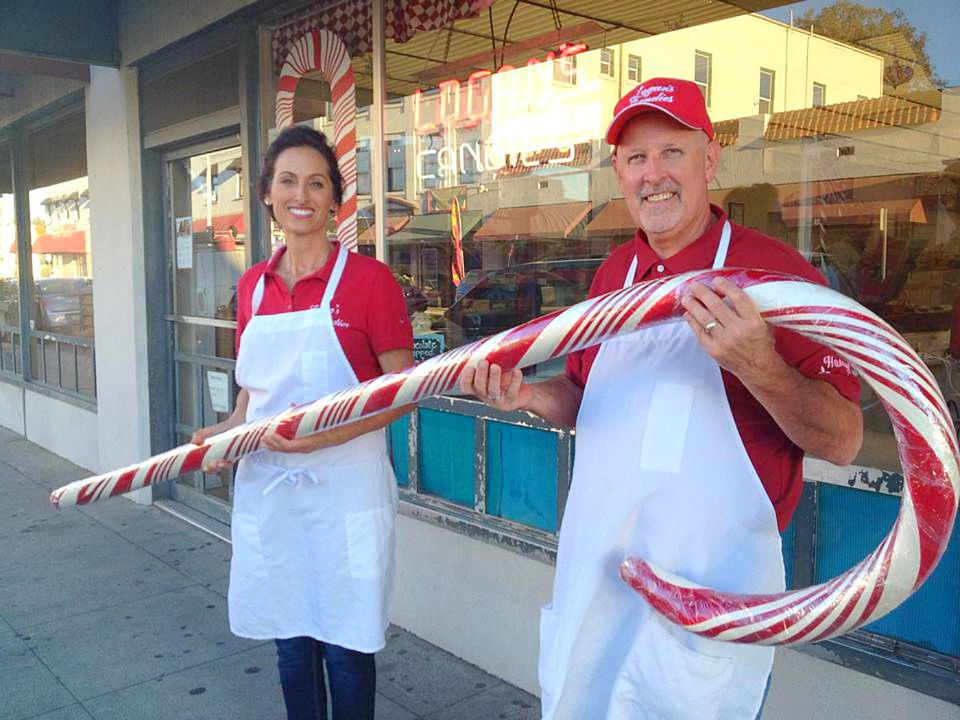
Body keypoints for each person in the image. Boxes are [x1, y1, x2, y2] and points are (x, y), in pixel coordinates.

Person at [461, 78, 863, 720]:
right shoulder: (611, 275)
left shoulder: (780, 279)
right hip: (599, 589)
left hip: (707, 602)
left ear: (709, 159)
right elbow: (587, 398)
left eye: (672, 152)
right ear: (619, 171)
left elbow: (842, 440)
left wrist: (761, 366)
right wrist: (530, 397)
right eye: (636, 157)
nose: (655, 175)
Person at [191, 125, 414, 720]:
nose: (302, 194)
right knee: (291, 644)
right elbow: (252, 395)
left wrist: (320, 436)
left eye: (317, 183)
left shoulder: (371, 284)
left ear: (334, 200)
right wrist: (228, 432)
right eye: (288, 180)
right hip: (273, 495)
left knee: (345, 649)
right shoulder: (252, 289)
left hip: (345, 493)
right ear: (266, 194)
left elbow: (403, 394)